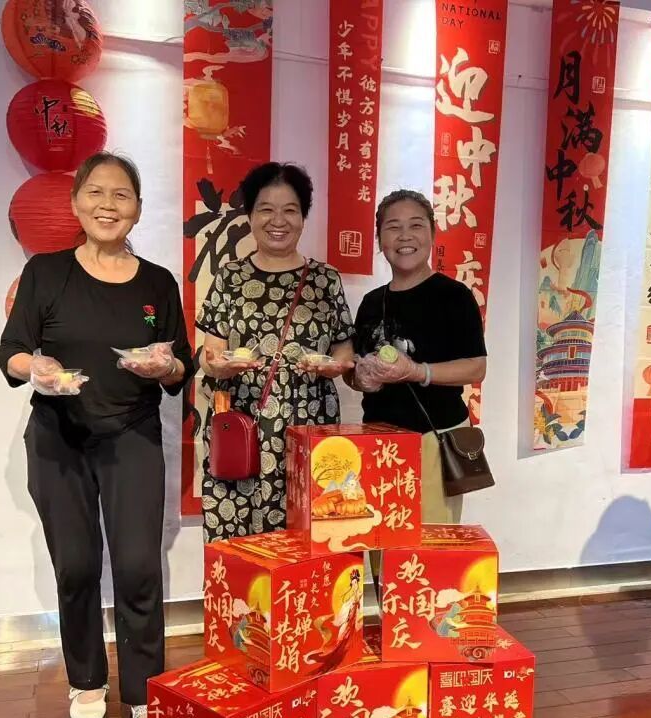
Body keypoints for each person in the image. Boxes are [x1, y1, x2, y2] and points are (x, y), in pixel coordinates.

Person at [0, 152, 194, 718]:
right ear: (76, 202)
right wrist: (37, 368)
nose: (108, 205)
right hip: (58, 437)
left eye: (122, 195)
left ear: (138, 208)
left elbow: (181, 366)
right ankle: (86, 682)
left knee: (138, 567)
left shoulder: (157, 282)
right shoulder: (45, 273)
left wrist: (166, 366)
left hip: (131, 435)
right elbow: (11, 352)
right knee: (77, 566)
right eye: (97, 193)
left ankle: (142, 692)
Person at [197, 162, 355, 541]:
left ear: (303, 217)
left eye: (290, 210)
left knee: (307, 540)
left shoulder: (325, 280)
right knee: (239, 546)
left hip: (309, 426)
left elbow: (344, 352)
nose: (278, 220)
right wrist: (220, 366)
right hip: (242, 426)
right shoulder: (230, 277)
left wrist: (335, 367)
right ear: (250, 215)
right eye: (266, 209)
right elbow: (210, 353)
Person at [347, 189, 487, 595]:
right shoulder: (372, 302)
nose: (404, 236)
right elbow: (356, 370)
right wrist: (361, 379)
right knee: (382, 545)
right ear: (379, 239)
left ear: (432, 234)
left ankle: (428, 629)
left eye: (415, 226)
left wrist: (417, 372)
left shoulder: (454, 297)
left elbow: (476, 366)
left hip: (434, 440)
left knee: (429, 551)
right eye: (393, 227)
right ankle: (392, 626)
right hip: (380, 445)